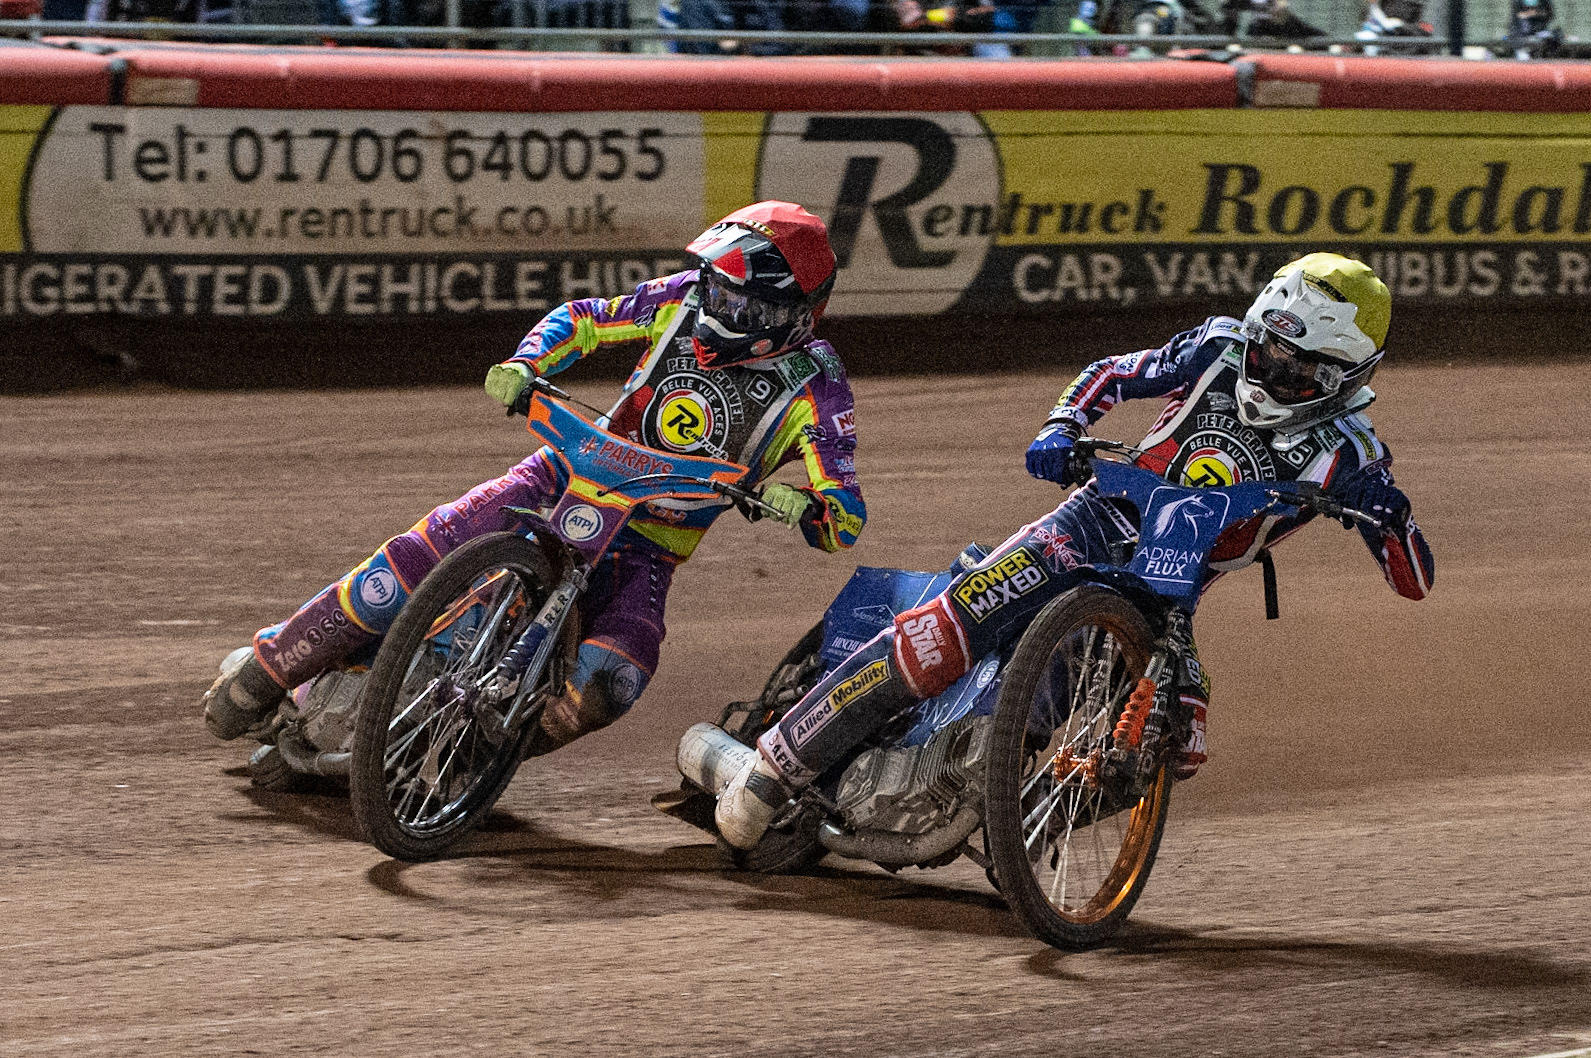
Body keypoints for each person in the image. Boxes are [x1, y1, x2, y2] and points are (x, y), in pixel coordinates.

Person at [703, 252, 1435, 850]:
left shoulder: (1351, 454)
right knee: (945, 632)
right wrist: (1062, 425)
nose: (1269, 369)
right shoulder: (1217, 348)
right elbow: (1114, 372)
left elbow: (1413, 582)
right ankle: (773, 765)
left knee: (1177, 739)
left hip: (1169, 594)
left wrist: (1389, 516)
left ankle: (1021, 832)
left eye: (1295, 364)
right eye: (1266, 346)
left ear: (1343, 378)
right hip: (1090, 520)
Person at [202, 201, 867, 761]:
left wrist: (806, 507)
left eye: (734, 299)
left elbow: (845, 510)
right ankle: (268, 669)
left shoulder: (819, 389)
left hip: (649, 544)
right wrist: (524, 363)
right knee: (416, 556)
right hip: (560, 476)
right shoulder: (682, 301)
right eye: (713, 287)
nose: (712, 303)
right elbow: (583, 317)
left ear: (788, 314)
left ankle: (465, 762)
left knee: (614, 679)